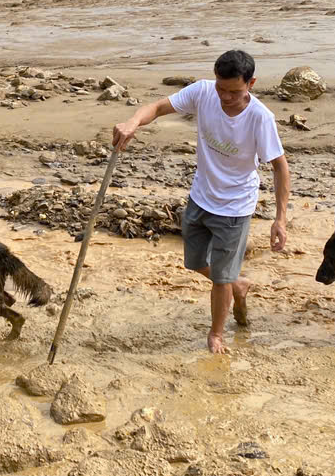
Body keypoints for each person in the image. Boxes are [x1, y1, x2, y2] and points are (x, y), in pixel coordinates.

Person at [113, 50, 291, 354]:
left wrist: (280, 219)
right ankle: (237, 283)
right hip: (201, 196)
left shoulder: (260, 117)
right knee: (195, 262)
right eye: (221, 88)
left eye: (234, 91)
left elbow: (280, 167)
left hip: (236, 207)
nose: (225, 97)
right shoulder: (204, 92)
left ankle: (217, 334)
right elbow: (156, 107)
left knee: (220, 278)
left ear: (251, 83)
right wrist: (132, 123)